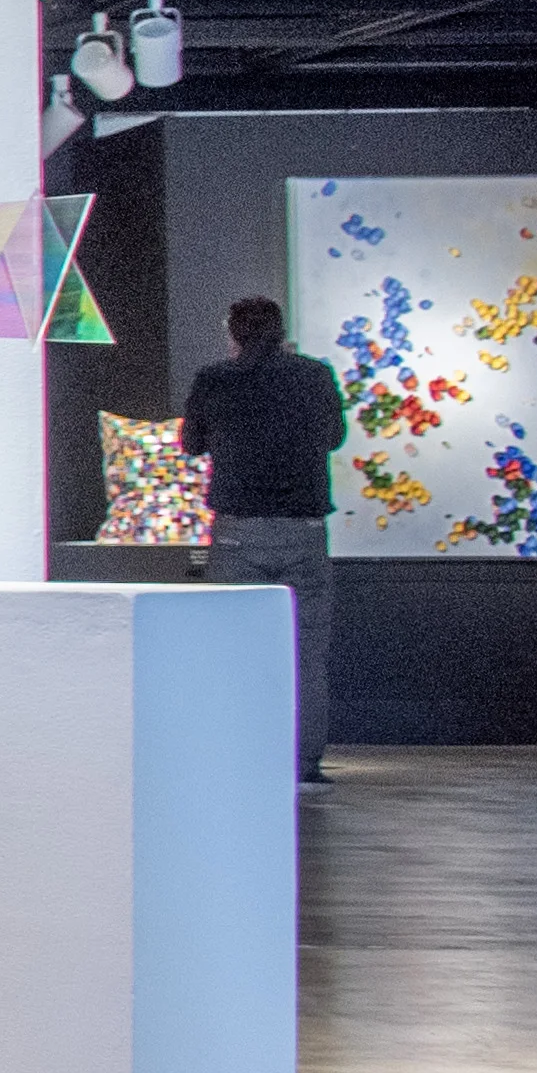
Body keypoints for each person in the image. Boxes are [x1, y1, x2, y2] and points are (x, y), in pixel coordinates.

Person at [183, 293, 346, 784]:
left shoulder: (214, 379)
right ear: (281, 331)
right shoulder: (314, 375)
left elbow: (191, 443)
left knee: (232, 648)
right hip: (303, 531)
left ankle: (238, 750)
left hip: (238, 532)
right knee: (307, 650)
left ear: (232, 334)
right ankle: (304, 760)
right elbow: (335, 437)